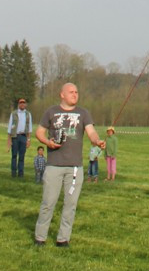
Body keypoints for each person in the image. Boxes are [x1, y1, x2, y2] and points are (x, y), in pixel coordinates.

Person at [33, 82, 105, 247]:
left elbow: (91, 132)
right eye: (71, 92)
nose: (75, 94)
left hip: (74, 168)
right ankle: (40, 237)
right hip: (53, 166)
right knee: (48, 202)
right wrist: (48, 143)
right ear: (62, 94)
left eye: (76, 92)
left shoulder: (83, 113)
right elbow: (39, 132)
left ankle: (63, 239)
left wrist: (97, 141)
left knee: (70, 205)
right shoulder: (51, 112)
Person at [6, 97, 33, 178]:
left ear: (25, 104)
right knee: (14, 155)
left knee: (22, 156)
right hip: (15, 136)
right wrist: (9, 140)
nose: (22, 104)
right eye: (20, 103)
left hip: (23, 136)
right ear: (18, 104)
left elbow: (29, 128)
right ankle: (13, 173)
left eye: (23, 103)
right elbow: (10, 127)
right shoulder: (14, 113)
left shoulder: (28, 114)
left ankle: (20, 173)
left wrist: (28, 140)